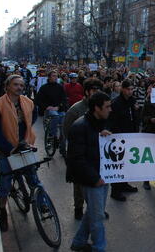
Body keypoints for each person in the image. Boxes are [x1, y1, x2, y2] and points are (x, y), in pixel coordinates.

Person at [0, 75, 38, 232]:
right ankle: (3, 212)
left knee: (34, 178)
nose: (19, 87)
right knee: (4, 183)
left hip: (24, 145)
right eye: (16, 84)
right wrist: (8, 149)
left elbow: (34, 115)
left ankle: (43, 203)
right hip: (7, 149)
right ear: (8, 86)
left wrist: (27, 132)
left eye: (22, 85)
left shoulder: (28, 102)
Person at [67, 92, 112, 252]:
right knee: (97, 216)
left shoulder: (99, 123)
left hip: (101, 176)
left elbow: (94, 145)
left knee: (93, 212)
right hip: (91, 179)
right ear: (96, 108)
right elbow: (77, 159)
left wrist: (102, 136)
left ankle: (79, 242)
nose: (110, 109)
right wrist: (95, 179)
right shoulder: (80, 126)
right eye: (107, 107)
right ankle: (99, 248)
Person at [63, 78, 104, 220]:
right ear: (87, 92)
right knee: (79, 183)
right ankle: (78, 208)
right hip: (80, 152)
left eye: (99, 90)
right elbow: (67, 131)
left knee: (95, 181)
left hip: (96, 153)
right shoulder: (75, 110)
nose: (96, 93)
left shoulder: (102, 109)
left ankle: (95, 208)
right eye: (94, 90)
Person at [107, 79, 140, 201]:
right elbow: (112, 121)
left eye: (132, 89)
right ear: (122, 89)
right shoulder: (116, 103)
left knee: (127, 164)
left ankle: (124, 184)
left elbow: (136, 117)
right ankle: (115, 190)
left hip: (131, 136)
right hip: (119, 138)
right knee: (118, 164)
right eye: (128, 89)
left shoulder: (133, 101)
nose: (130, 91)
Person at [36, 70, 68, 155]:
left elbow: (64, 99)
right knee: (55, 117)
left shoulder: (60, 87)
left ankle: (63, 148)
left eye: (56, 76)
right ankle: (52, 135)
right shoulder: (44, 88)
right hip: (49, 110)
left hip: (59, 109)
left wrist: (59, 107)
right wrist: (47, 107)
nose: (55, 77)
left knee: (64, 127)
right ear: (49, 77)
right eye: (53, 76)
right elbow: (37, 100)